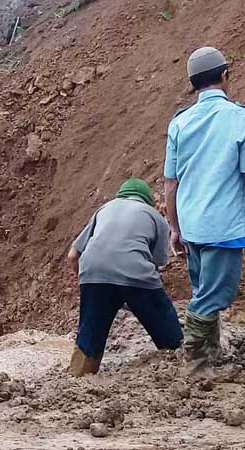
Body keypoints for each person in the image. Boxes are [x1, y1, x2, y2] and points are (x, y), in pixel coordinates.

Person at [164, 46, 245, 372]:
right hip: (223, 227)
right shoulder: (239, 119)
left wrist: (174, 227)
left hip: (192, 225)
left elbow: (171, 182)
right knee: (214, 295)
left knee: (203, 290)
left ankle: (210, 353)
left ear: (193, 83)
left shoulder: (180, 123)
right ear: (225, 75)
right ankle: (196, 363)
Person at [67, 179, 183, 376]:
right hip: (135, 273)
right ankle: (180, 360)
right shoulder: (155, 216)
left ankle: (79, 375)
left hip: (92, 273)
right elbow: (157, 263)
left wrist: (91, 282)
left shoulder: (104, 209)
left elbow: (72, 255)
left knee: (90, 332)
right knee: (165, 324)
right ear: (147, 200)